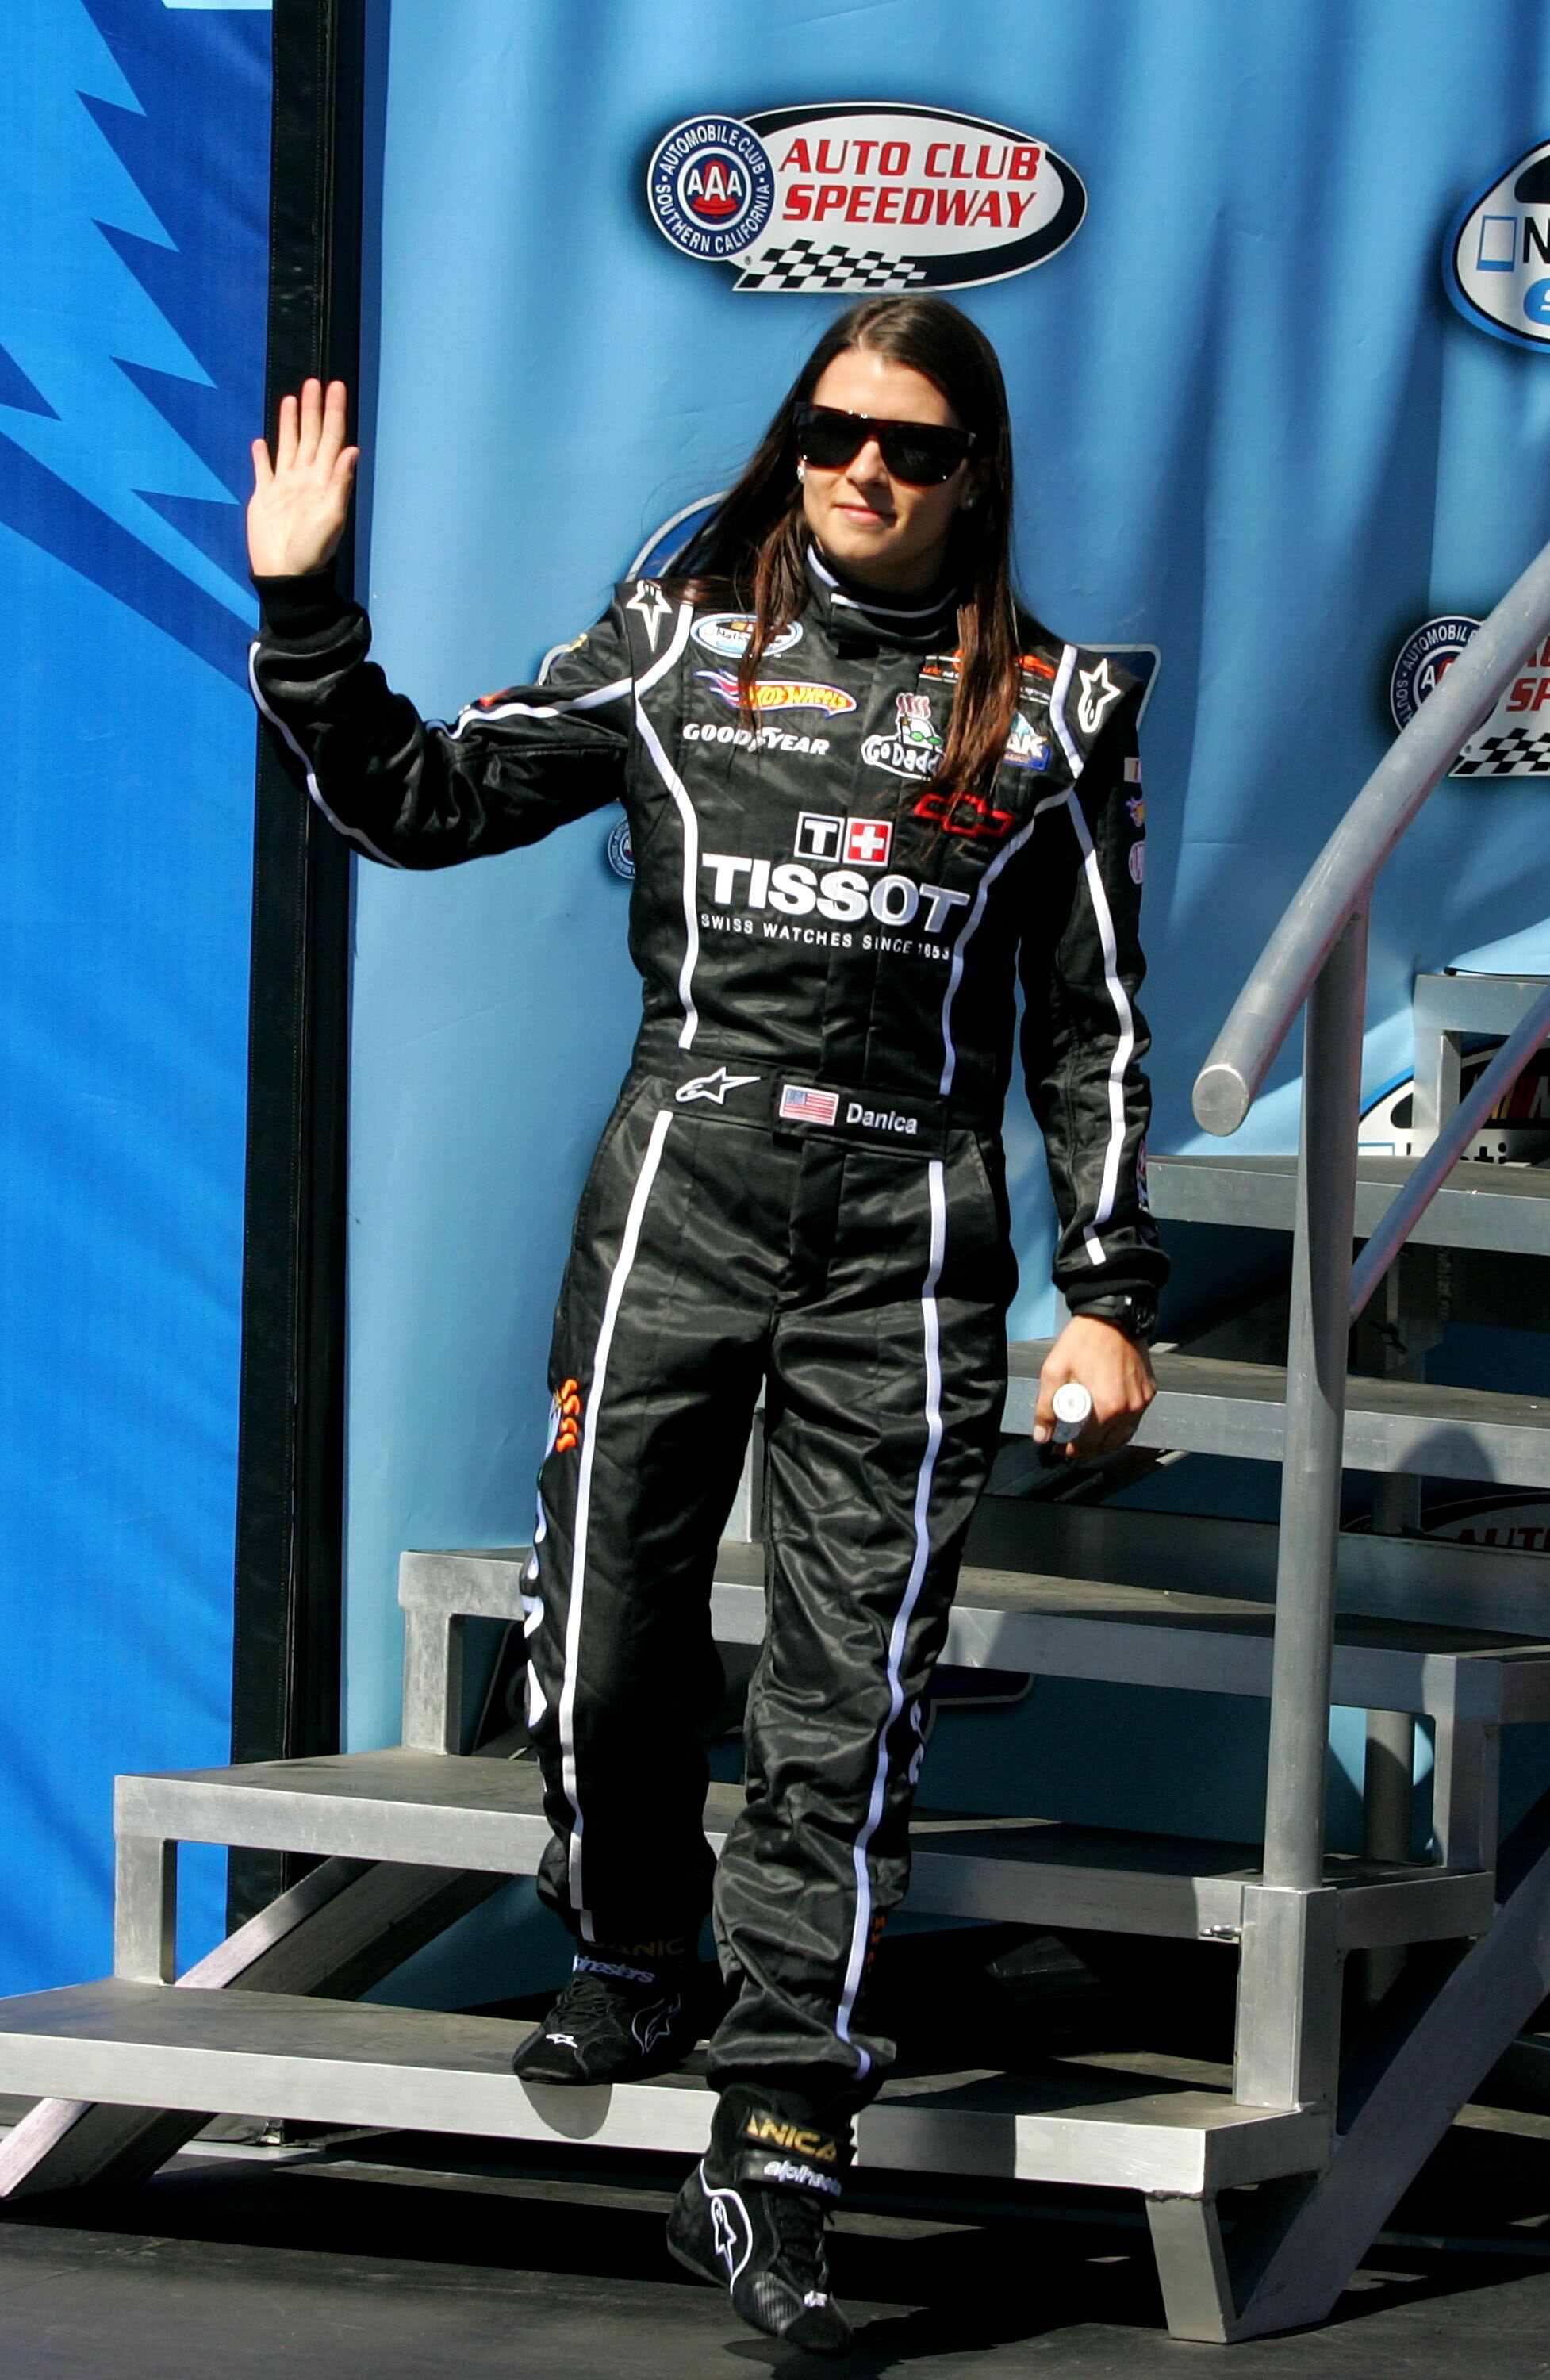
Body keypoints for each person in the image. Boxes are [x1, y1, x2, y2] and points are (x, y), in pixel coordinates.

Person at [247, 296, 1165, 2354]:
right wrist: (308, 618)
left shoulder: (1049, 707)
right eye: (835, 433)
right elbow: (419, 801)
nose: (865, 471)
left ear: (974, 477)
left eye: (912, 450)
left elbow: (1092, 1032)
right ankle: (636, 1934)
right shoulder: (674, 649)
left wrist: (1104, 1298)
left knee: (852, 1701)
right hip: (678, 1204)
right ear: (791, 443)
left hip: (907, 1248)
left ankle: (775, 2148)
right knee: (603, 1647)